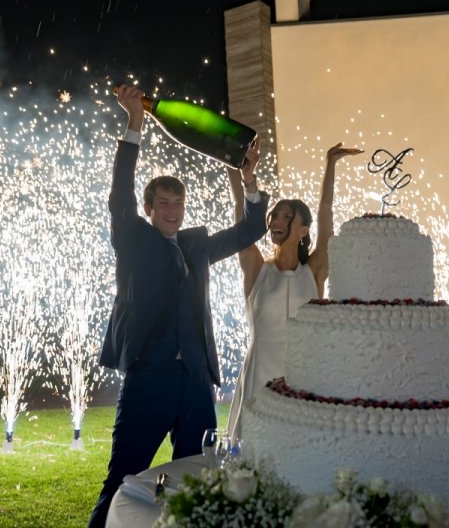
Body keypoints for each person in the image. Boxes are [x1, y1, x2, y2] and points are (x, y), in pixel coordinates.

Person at [88, 85, 269, 528]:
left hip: (195, 382)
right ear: (149, 209)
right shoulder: (132, 240)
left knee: (198, 481)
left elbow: (250, 229)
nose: (172, 210)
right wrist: (135, 123)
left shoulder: (198, 244)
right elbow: (119, 195)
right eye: (163, 203)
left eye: (178, 202)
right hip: (148, 378)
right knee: (122, 479)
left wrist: (249, 180)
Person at [226, 142, 362, 440]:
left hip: (304, 373)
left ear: (303, 230)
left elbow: (326, 213)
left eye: (287, 216)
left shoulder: (312, 272)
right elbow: (242, 217)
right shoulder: (256, 268)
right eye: (274, 215)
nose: (276, 220)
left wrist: (331, 165)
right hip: (259, 373)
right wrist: (241, 173)